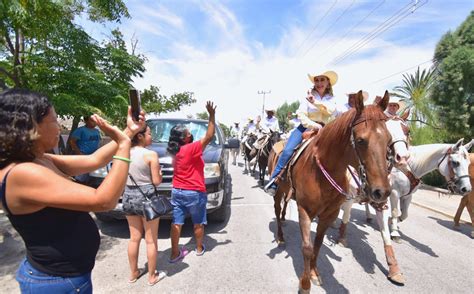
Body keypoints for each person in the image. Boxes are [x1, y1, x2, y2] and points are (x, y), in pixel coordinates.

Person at [0, 89, 145, 293]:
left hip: (63, 278)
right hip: (55, 282)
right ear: (32, 126)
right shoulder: (22, 172)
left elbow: (93, 160)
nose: (59, 126)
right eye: (54, 120)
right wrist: (123, 146)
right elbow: (103, 201)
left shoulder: (39, 159)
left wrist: (128, 132)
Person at [265, 70, 339, 196]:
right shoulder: (307, 96)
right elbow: (301, 114)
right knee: (288, 150)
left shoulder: (331, 98)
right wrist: (314, 125)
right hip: (305, 128)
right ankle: (274, 180)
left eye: (322, 80)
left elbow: (331, 111)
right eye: (317, 80)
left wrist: (314, 102)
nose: (319, 83)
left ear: (328, 83)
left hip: (326, 129)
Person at [167, 101, 216, 263]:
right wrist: (211, 115)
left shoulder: (174, 151)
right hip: (194, 192)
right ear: (183, 138)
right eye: (188, 133)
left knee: (177, 222)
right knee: (198, 222)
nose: (190, 134)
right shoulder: (191, 148)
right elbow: (209, 136)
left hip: (177, 191)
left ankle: (174, 254)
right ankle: (200, 248)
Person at [122, 125, 166, 286]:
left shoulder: (124, 152)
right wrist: (160, 173)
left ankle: (134, 273)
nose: (151, 137)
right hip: (147, 196)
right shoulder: (150, 154)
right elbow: (156, 181)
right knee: (150, 240)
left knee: (134, 238)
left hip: (128, 195)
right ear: (140, 136)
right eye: (149, 134)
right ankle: (152, 276)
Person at [69, 115, 101, 183]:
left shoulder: (97, 131)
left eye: (95, 121)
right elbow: (72, 142)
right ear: (86, 121)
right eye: (92, 120)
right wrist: (79, 153)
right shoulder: (80, 130)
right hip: (83, 156)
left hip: (94, 156)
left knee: (91, 176)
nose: (94, 122)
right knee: (80, 177)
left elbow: (98, 142)